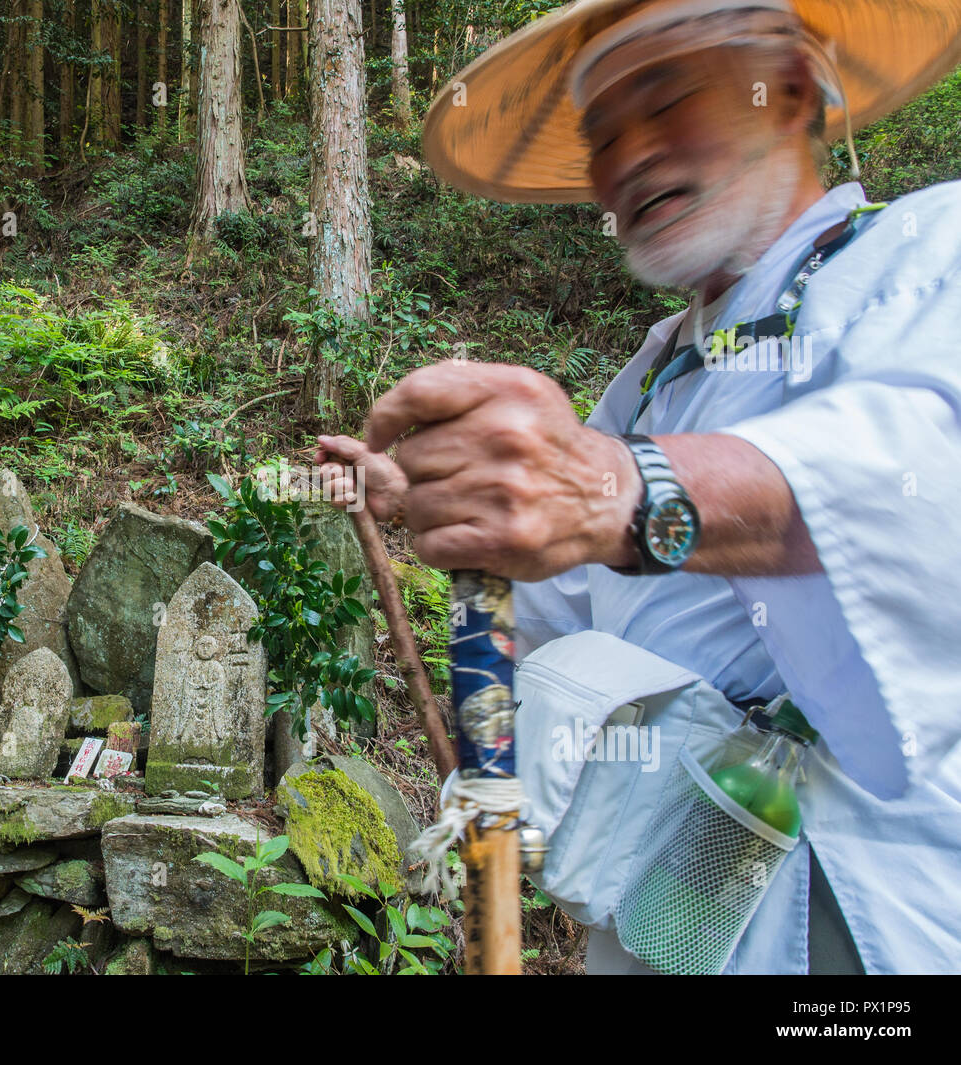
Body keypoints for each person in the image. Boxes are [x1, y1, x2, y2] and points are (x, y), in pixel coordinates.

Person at [315, 0, 961, 974]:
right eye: (600, 134)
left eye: (663, 99)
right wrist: (443, 501)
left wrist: (619, 486)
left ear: (787, 89)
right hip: (669, 897)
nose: (624, 160)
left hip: (855, 914)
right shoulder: (655, 376)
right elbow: (560, 610)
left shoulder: (921, 253)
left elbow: (916, 470)